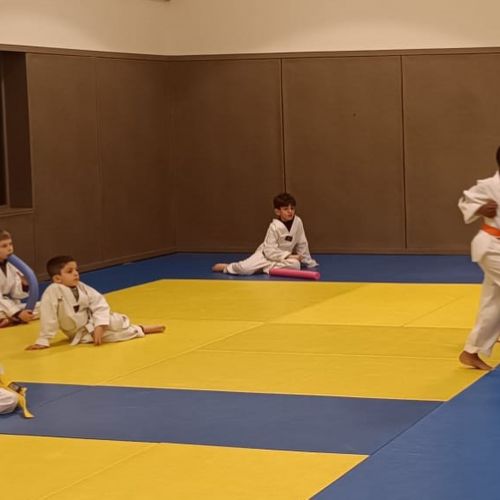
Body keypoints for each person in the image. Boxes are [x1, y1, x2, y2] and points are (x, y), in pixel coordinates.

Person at [26, 255, 165, 350]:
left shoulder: (81, 286)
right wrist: (43, 340)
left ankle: (135, 327)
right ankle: (141, 329)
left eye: (76, 270)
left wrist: (99, 325)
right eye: (70, 271)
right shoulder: (53, 291)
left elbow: (99, 303)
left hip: (91, 322)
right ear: (57, 278)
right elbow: (48, 316)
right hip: (78, 332)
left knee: (114, 322)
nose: (76, 273)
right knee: (111, 337)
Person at [458, 146, 500, 370]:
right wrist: (480, 209)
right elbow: (465, 202)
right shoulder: (488, 185)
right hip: (492, 246)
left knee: (494, 302)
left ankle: (471, 351)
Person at [212, 192, 318, 275]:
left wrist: (308, 261)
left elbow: (302, 242)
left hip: (282, 259)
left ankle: (263, 268)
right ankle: (227, 267)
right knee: (244, 269)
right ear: (277, 211)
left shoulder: (298, 222)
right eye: (286, 209)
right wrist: (288, 256)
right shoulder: (274, 227)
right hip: (264, 256)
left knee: (296, 265)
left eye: (292, 208)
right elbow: (269, 251)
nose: (290, 211)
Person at [0, 229, 37, 328]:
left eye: (10, 244)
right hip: (3, 305)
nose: (9, 248)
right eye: (4, 246)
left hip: (8, 306)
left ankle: (11, 318)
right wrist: (17, 313)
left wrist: (24, 285)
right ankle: (12, 318)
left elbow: (16, 294)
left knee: (40, 307)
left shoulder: (11, 265)